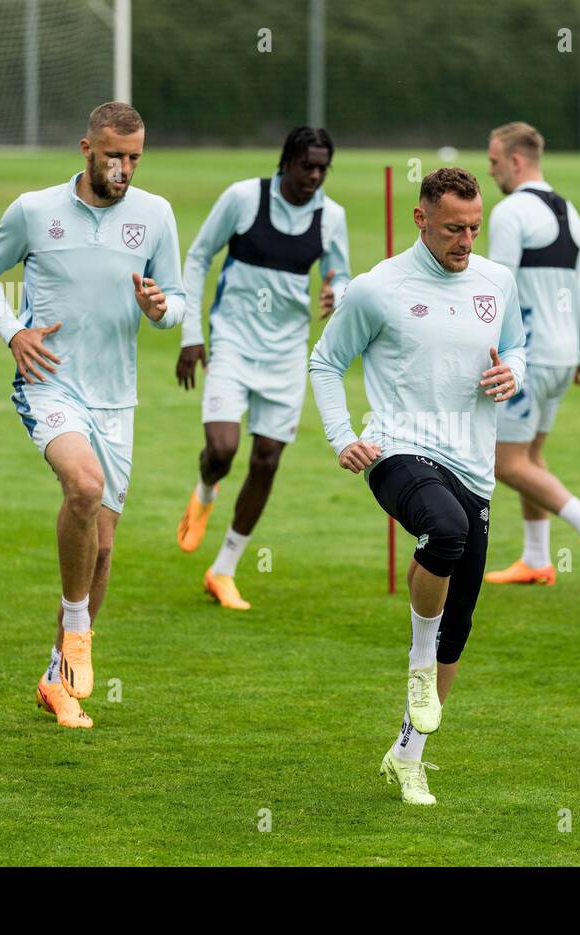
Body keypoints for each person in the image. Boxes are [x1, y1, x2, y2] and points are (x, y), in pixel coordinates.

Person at [309, 168, 526, 805]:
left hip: (473, 464)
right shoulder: (378, 289)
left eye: (474, 228)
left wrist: (511, 372)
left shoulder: (497, 281)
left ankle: (409, 753)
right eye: (454, 228)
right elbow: (325, 360)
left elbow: (517, 345)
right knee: (446, 531)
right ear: (420, 218)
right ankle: (418, 661)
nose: (465, 240)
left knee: (460, 620)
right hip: (398, 450)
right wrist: (341, 435)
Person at [0, 102, 184, 730]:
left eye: (135, 157)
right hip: (51, 384)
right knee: (83, 487)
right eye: (114, 156)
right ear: (84, 149)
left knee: (105, 549)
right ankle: (78, 629)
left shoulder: (156, 215)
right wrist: (14, 332)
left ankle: (55, 678)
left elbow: (175, 306)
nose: (125, 169)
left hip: (118, 396)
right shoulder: (35, 211)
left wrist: (159, 308)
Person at [175, 127, 350, 610]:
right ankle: (206, 490)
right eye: (307, 166)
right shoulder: (243, 199)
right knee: (222, 447)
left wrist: (339, 291)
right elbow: (197, 256)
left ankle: (224, 569)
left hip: (288, 353)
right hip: (232, 341)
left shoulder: (330, 217)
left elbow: (343, 275)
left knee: (268, 457)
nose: (314, 176)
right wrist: (191, 334)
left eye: (322, 168)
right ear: (286, 162)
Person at [482, 121, 580, 589]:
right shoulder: (570, 212)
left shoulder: (510, 212)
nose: (492, 169)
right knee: (532, 458)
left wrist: (488, 349)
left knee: (507, 463)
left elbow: (498, 287)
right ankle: (537, 558)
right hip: (562, 355)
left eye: (495, 161)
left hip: (530, 357)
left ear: (516, 160)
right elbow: (575, 288)